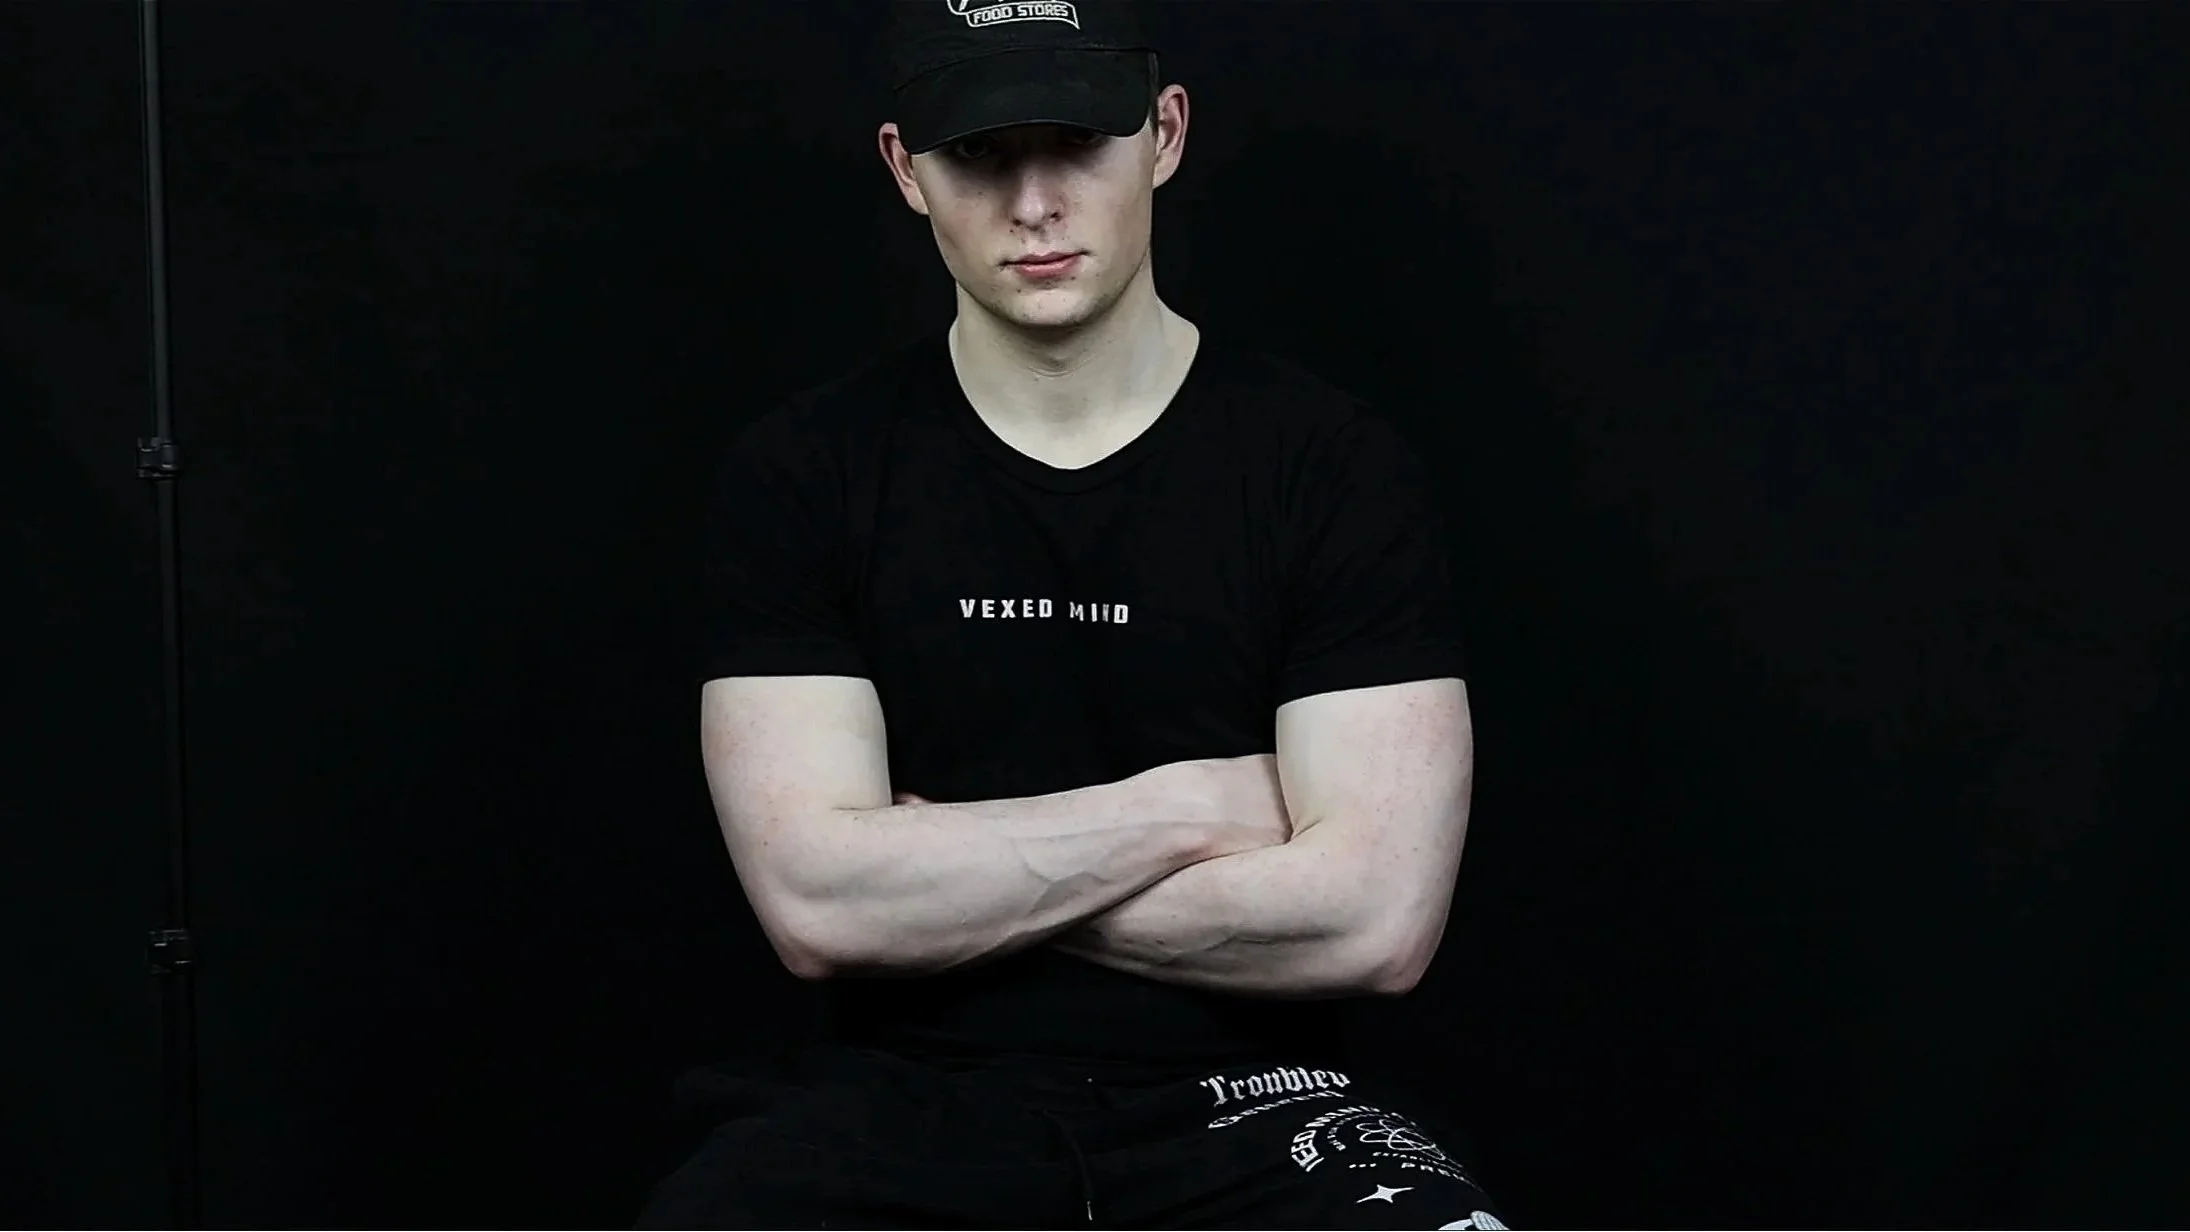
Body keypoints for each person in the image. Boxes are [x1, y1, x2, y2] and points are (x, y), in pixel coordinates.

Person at [639, 3, 1508, 1227]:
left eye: (1078, 142)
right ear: (904, 168)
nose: (1035, 203)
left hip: (1257, 1099)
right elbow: (817, 906)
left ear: (1163, 132)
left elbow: (1374, 918)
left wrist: (941, 875)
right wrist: (1192, 804)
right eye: (982, 155)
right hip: (896, 1099)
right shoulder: (806, 471)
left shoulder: (1330, 464)